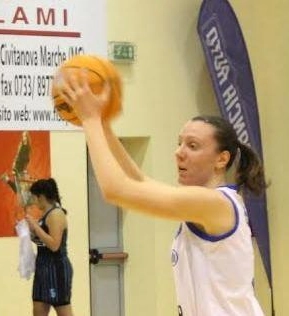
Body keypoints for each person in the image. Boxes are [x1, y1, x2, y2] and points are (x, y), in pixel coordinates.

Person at [59, 72, 266, 315]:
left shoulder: (214, 203)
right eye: (179, 143)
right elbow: (139, 181)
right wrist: (103, 125)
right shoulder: (209, 202)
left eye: (193, 145)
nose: (179, 152)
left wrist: (90, 120)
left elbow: (115, 190)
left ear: (221, 159)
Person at [26, 178, 73, 316]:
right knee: (38, 308)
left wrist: (36, 227)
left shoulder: (56, 214)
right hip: (43, 268)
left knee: (63, 311)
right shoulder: (44, 216)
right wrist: (31, 235)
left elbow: (54, 245)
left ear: (41, 197)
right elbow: (43, 244)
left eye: (34, 198)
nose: (34, 202)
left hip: (56, 269)